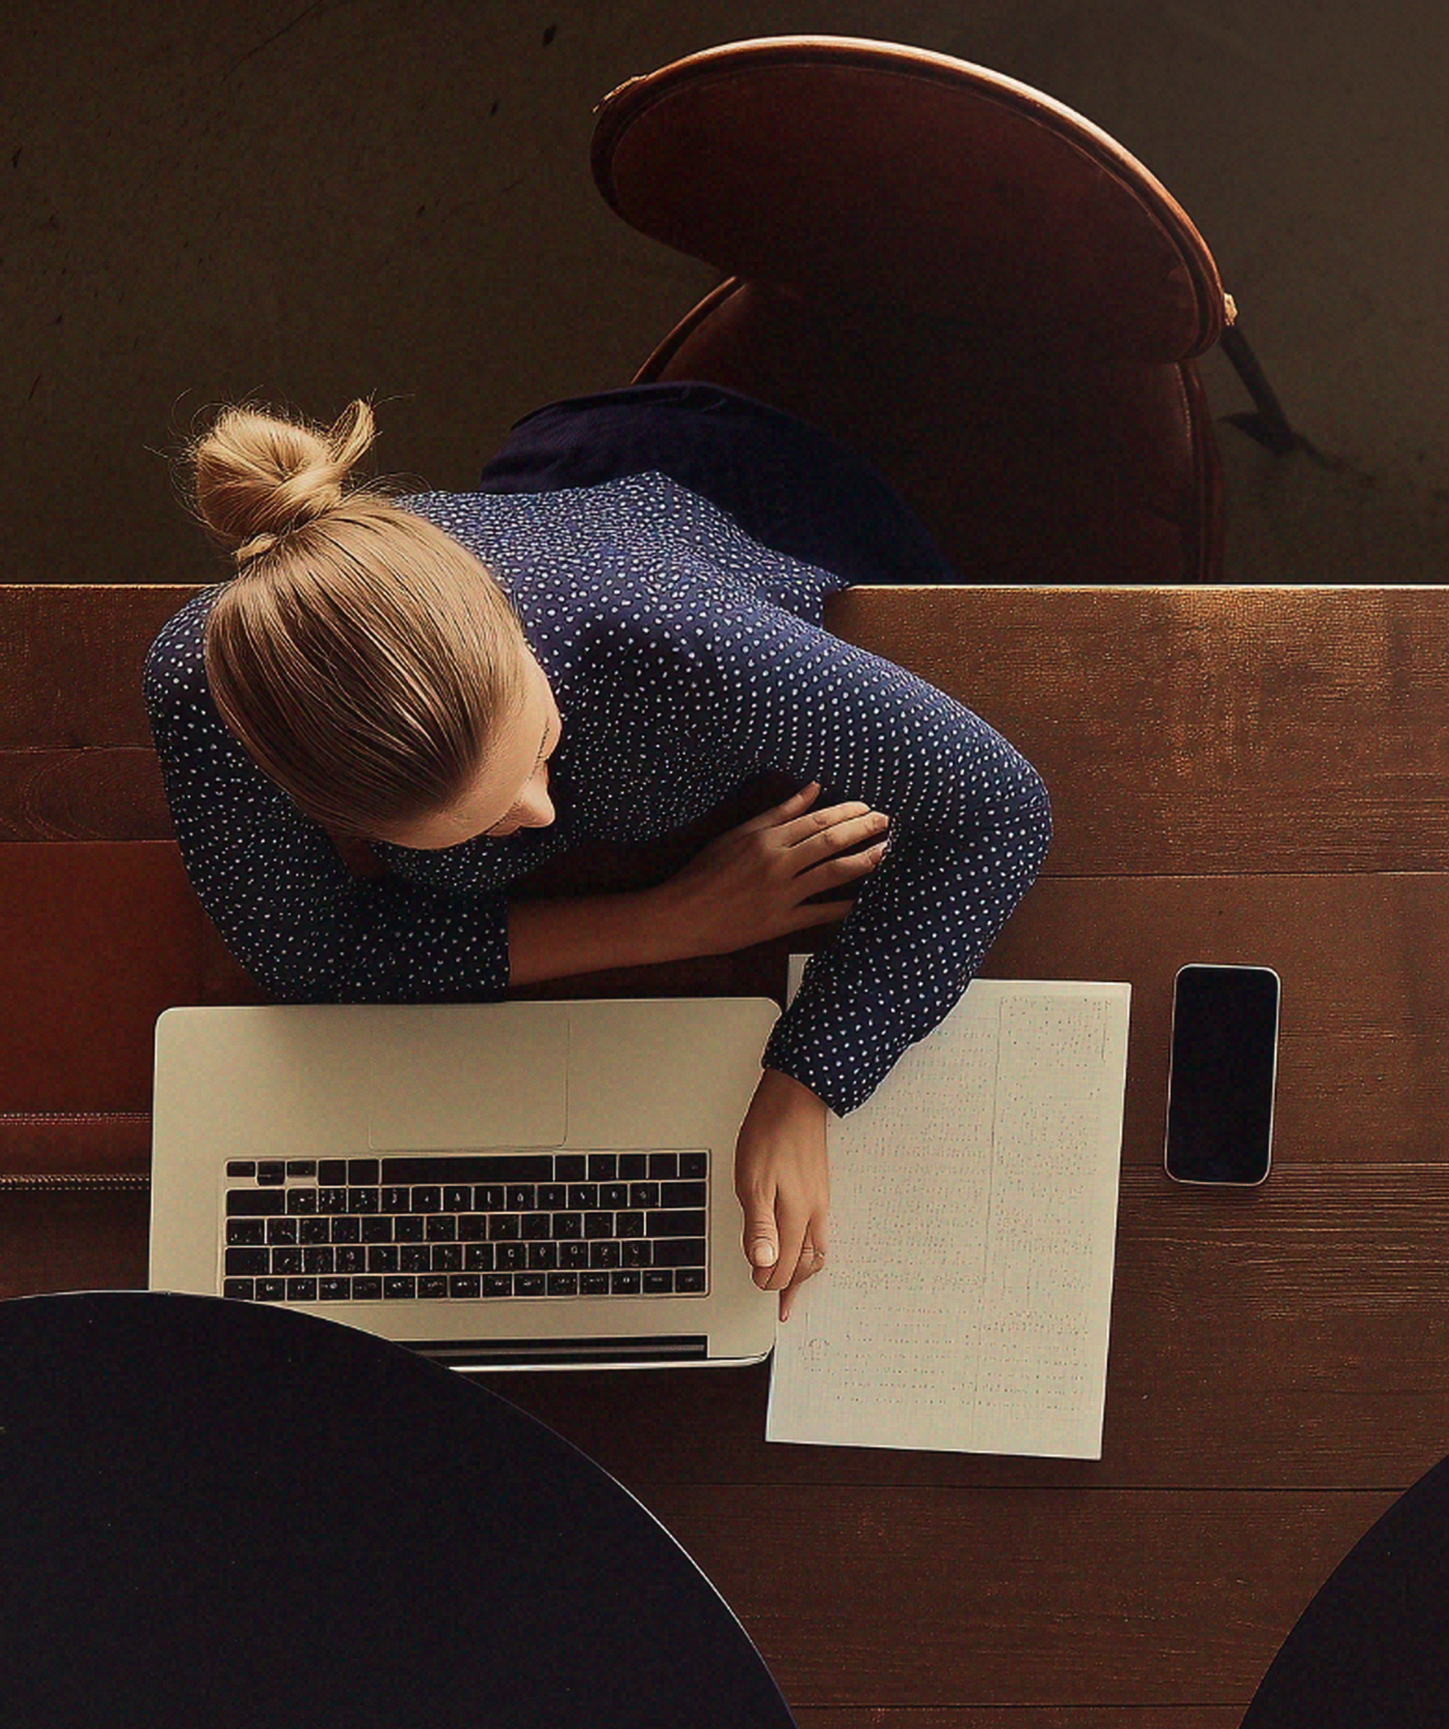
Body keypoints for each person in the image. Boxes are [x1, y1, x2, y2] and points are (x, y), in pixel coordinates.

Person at [140, 389, 1051, 1316]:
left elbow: (1000, 809)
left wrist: (809, 1077)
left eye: (537, 747)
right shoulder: (210, 690)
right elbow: (312, 957)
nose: (536, 813)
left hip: (723, 485)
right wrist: (668, 923)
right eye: (480, 824)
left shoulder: (685, 642)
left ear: (504, 621)